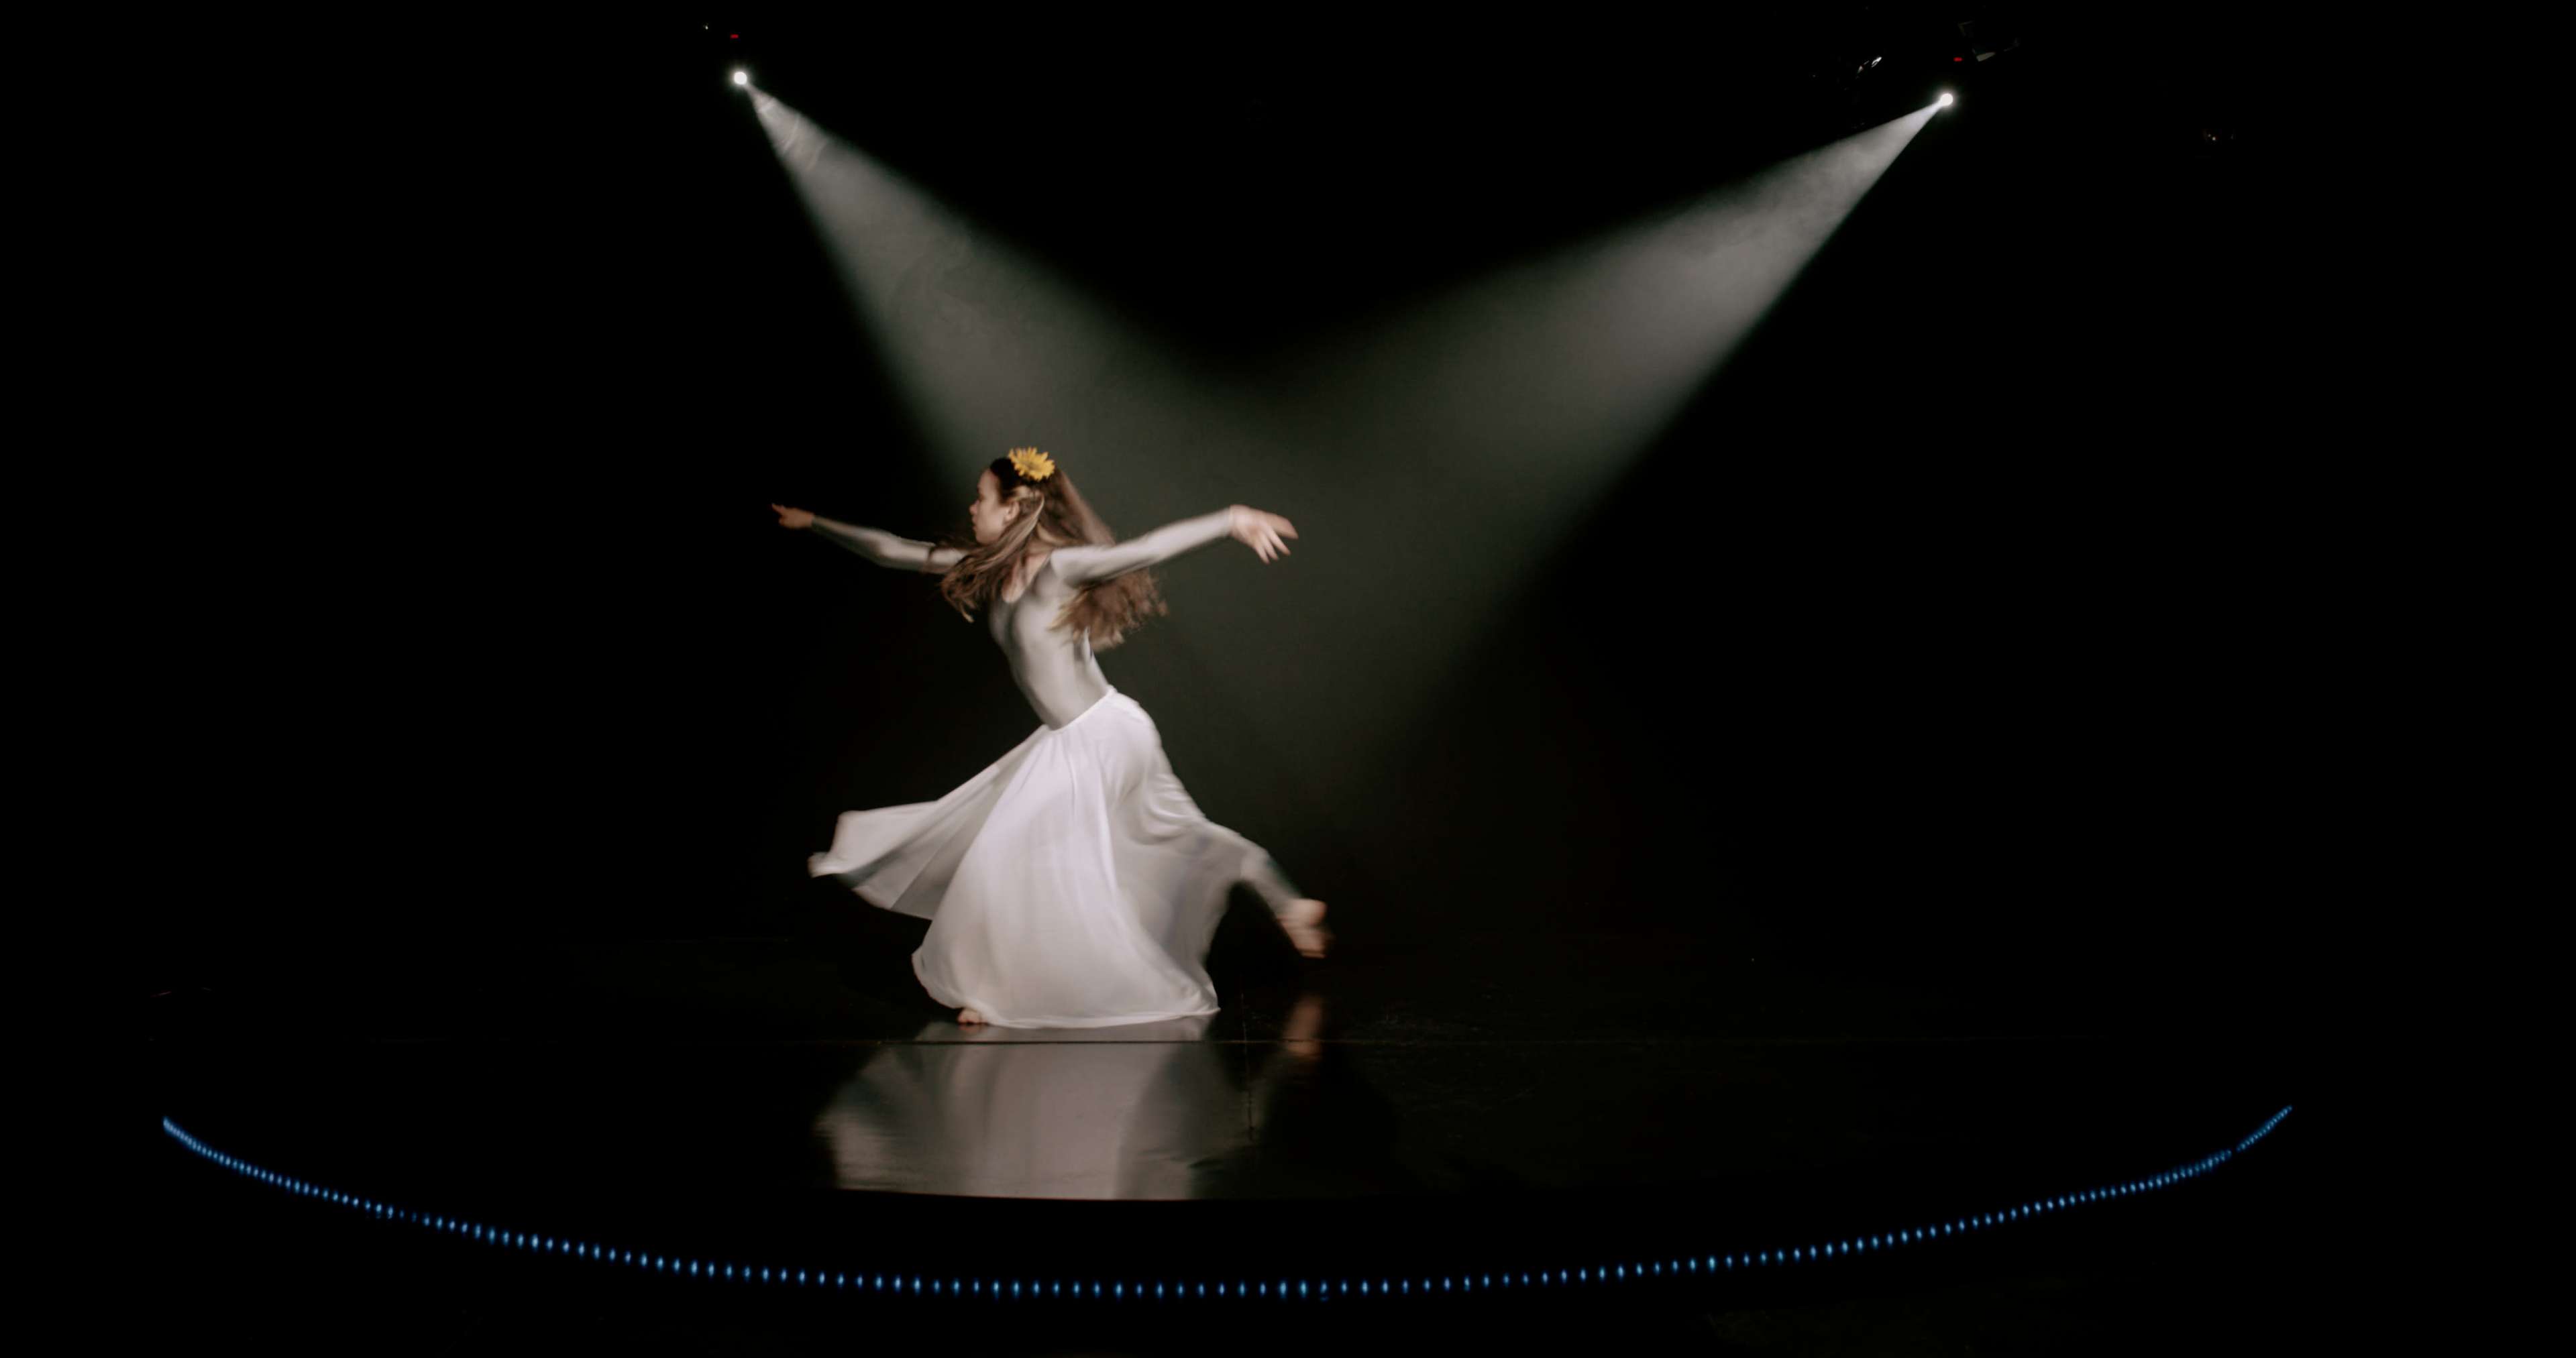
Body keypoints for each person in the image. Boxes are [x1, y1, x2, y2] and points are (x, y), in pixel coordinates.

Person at [772, 447, 1330, 1029]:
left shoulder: (1061, 567)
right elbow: (894, 550)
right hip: (1078, 738)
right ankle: (1288, 899)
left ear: (1014, 508)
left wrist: (1231, 518)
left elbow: (1143, 550)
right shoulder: (985, 564)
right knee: (1169, 832)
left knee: (1023, 852)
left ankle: (998, 991)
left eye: (982, 497)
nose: (972, 506)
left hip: (1103, 737)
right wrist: (813, 523)